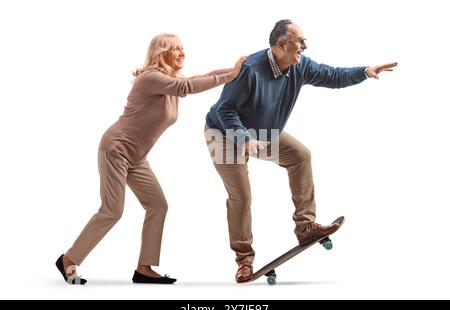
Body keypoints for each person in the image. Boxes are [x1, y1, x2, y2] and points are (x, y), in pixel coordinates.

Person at [204, 19, 397, 283]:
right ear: (282, 44)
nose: (305, 46)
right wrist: (243, 138)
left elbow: (333, 75)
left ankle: (305, 227)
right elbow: (226, 109)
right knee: (241, 197)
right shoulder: (250, 69)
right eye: (300, 40)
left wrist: (364, 71)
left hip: (263, 132)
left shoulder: (299, 66)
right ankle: (244, 260)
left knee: (300, 156)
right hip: (224, 135)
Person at [56, 33, 246, 285]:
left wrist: (238, 69)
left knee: (157, 205)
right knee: (112, 211)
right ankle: (69, 259)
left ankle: (144, 268)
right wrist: (232, 74)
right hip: (116, 149)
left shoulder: (169, 82)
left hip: (137, 157)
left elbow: (200, 77)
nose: (182, 53)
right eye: (175, 49)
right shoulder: (150, 79)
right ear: (161, 53)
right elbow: (187, 87)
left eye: (183, 48)